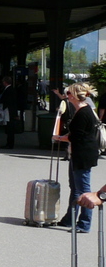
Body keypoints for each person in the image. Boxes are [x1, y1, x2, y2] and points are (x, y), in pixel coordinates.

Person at [54, 82, 99, 233]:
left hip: (82, 154)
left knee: (83, 190)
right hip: (80, 153)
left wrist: (59, 138)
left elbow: (76, 137)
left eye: (67, 94)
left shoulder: (83, 113)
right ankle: (69, 219)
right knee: (75, 188)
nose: (66, 96)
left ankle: (84, 224)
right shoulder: (84, 111)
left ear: (73, 96)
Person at [0, 75, 18, 149]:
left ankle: (10, 144)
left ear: (5, 82)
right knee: (9, 128)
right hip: (10, 111)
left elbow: (9, 101)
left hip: (9, 111)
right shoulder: (11, 89)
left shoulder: (8, 90)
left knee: (10, 128)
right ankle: (9, 143)